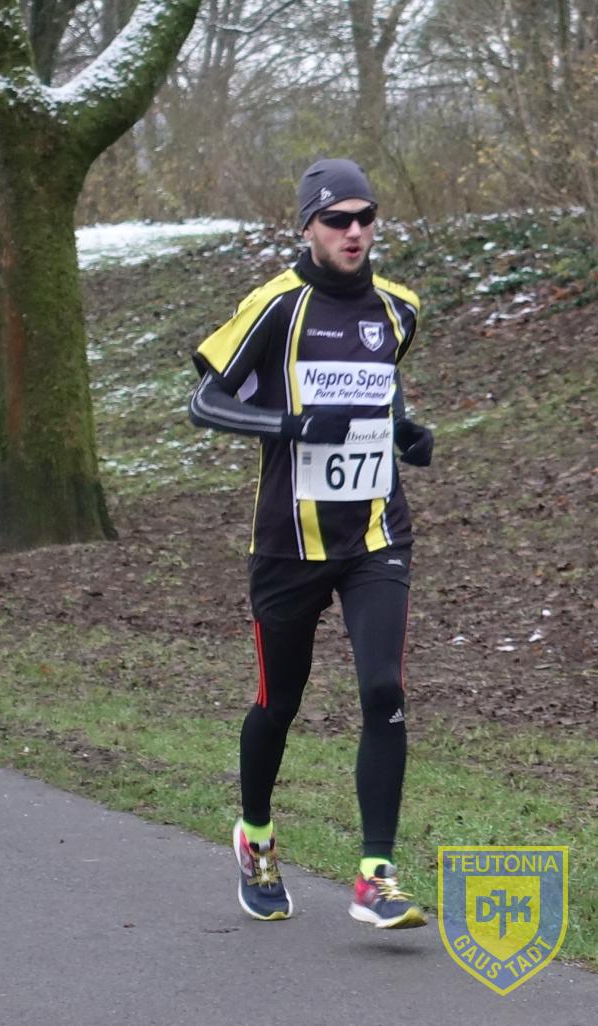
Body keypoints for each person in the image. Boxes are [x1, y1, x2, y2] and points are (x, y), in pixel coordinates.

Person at [187, 158, 434, 929]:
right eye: (336, 219)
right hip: (287, 542)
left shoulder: (398, 308)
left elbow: (378, 388)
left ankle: (375, 875)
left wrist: (404, 432)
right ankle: (256, 838)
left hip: (374, 534)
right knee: (278, 702)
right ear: (307, 227)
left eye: (364, 217)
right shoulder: (275, 306)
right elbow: (204, 402)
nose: (353, 231)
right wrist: (289, 426)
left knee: (382, 691)